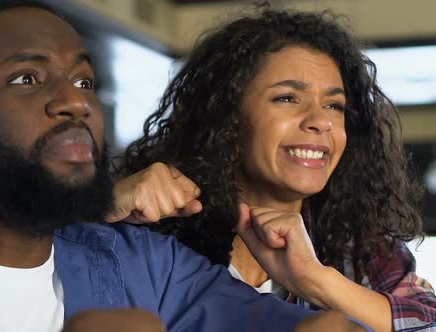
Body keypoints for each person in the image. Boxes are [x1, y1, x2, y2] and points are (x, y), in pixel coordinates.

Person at [0, 1, 369, 331]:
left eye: (84, 82)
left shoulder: (150, 267)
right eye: (27, 79)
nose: (75, 103)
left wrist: (320, 292)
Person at [117, 6, 436, 332]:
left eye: (334, 105)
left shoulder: (361, 246)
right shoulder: (153, 232)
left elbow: (426, 321)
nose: (320, 121)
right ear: (227, 115)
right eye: (287, 98)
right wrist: (97, 205)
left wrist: (313, 279)